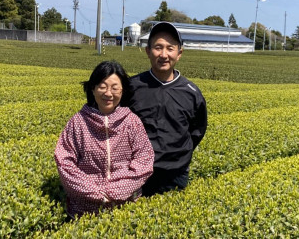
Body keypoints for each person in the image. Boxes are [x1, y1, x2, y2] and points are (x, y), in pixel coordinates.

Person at [54, 60, 154, 218]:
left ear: (122, 91)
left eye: (115, 88)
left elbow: (144, 159)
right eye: (102, 86)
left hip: (126, 207)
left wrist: (116, 191)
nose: (108, 93)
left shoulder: (132, 121)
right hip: (84, 210)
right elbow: (64, 161)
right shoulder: (78, 122)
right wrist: (96, 193)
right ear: (93, 89)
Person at [129, 22, 208, 197]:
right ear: (148, 51)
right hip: (138, 174)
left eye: (170, 48)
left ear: (179, 54)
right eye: (158, 47)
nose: (164, 54)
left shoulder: (191, 93)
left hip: (176, 175)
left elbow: (197, 130)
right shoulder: (132, 87)